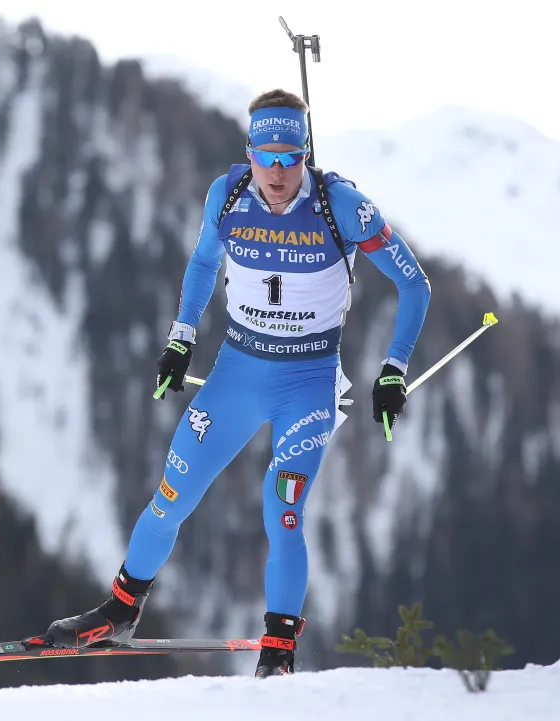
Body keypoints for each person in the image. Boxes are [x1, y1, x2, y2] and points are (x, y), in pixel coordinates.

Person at [39, 88, 432, 677]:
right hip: (236, 372)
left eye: (290, 156)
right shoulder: (227, 197)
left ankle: (277, 651)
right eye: (266, 155)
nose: (277, 171)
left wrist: (394, 369)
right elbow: (203, 264)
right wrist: (180, 339)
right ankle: (118, 612)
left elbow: (415, 285)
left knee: (283, 507)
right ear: (249, 151)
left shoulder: (342, 206)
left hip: (309, 381)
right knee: (172, 494)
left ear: (306, 153)